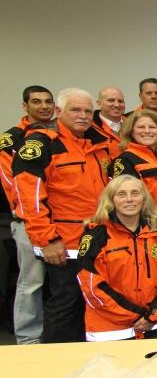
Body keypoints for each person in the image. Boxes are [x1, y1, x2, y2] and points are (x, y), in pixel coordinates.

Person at [13, 87, 113, 342]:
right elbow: (29, 197)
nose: (83, 116)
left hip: (97, 241)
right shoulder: (41, 144)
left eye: (88, 111)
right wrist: (47, 240)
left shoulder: (100, 144)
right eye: (75, 110)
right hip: (64, 244)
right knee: (65, 304)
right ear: (58, 111)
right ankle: (57, 358)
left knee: (92, 303)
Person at [76, 176, 157, 341]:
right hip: (112, 329)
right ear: (111, 199)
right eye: (121, 194)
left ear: (144, 198)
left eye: (135, 193)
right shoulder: (96, 237)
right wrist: (135, 316)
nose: (130, 199)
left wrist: (152, 315)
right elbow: (91, 287)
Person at [1, 86, 54, 344]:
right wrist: (30, 214)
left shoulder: (59, 134)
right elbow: (10, 181)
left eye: (48, 102)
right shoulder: (12, 138)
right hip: (29, 220)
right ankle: (28, 339)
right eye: (36, 102)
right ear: (25, 106)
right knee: (31, 283)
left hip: (59, 220)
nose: (43, 107)